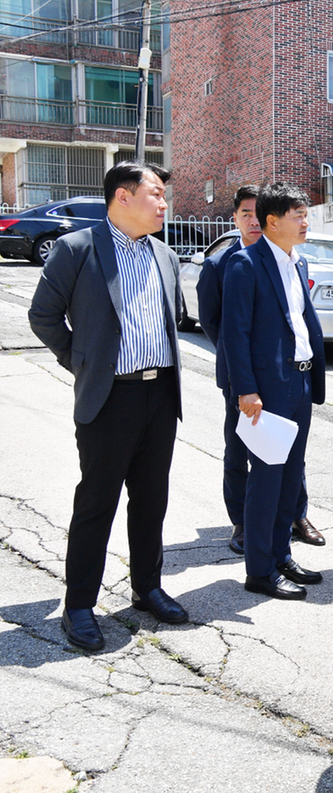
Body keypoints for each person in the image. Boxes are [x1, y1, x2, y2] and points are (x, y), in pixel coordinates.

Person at [28, 161, 189, 651]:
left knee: (151, 499)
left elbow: (169, 319)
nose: (164, 204)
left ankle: (147, 588)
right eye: (156, 194)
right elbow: (43, 316)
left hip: (159, 393)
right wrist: (83, 362)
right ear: (123, 196)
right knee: (97, 502)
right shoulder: (77, 249)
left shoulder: (164, 254)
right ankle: (79, 605)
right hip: (109, 396)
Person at [196, 188, 329, 555]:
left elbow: (298, 321)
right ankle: (256, 550)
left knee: (288, 468)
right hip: (257, 384)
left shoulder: (296, 261)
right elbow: (226, 329)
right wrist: (246, 382)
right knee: (256, 466)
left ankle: (282, 547)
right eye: (299, 215)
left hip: (296, 380)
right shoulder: (237, 263)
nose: (306, 222)